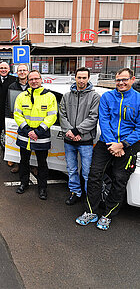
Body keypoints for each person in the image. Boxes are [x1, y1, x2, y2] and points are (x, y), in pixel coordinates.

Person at [76, 68, 140, 230]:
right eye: (118, 80)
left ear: (132, 79)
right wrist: (112, 144)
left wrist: (123, 144)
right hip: (106, 144)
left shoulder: (138, 99)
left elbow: (139, 128)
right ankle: (91, 211)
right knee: (93, 176)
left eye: (124, 79)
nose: (121, 83)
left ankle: (108, 215)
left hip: (128, 147)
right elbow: (103, 121)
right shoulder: (107, 97)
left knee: (119, 181)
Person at [14, 70, 57, 200]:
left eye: (36, 79)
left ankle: (42, 188)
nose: (33, 81)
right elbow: (17, 114)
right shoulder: (21, 96)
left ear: (41, 79)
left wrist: (38, 131)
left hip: (41, 136)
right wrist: (27, 130)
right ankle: (24, 183)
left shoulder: (50, 96)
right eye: (31, 79)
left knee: (42, 163)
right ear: (27, 81)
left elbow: (52, 116)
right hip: (25, 135)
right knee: (23, 161)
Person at [59, 67, 100, 205]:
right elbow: (62, 115)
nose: (81, 80)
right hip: (69, 140)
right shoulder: (66, 96)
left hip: (86, 141)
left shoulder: (94, 97)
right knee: (71, 169)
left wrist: (77, 131)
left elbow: (93, 117)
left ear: (88, 79)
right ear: (75, 78)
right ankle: (75, 192)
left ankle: (90, 197)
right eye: (79, 77)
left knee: (87, 172)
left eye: (84, 78)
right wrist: (70, 132)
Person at [5, 64, 29, 173]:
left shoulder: (33, 85)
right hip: (17, 118)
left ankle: (33, 166)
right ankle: (18, 164)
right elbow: (8, 103)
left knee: (32, 144)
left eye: (24, 70)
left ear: (27, 72)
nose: (22, 72)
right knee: (18, 143)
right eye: (20, 70)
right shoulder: (12, 86)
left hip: (32, 118)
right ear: (17, 72)